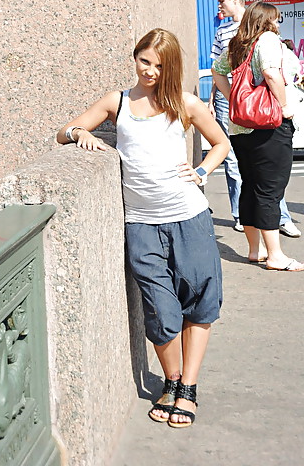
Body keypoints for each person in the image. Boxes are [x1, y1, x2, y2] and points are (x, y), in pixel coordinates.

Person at [57, 28, 229, 428]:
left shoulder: (184, 103)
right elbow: (63, 131)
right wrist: (82, 133)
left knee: (200, 302)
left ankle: (188, 388)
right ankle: (171, 380)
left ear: (172, 68)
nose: (150, 71)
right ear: (135, 58)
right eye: (144, 61)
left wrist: (201, 171)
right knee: (160, 309)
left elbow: (221, 143)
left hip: (189, 217)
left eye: (159, 65)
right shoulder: (117, 101)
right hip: (141, 224)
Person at [212, 2, 304, 272]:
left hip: (241, 127)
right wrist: (284, 105)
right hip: (268, 125)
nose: (278, 24)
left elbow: (217, 70)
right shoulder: (267, 39)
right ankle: (275, 255)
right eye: (276, 19)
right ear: (267, 20)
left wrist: (233, 98)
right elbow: (270, 72)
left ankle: (255, 249)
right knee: (270, 190)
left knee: (251, 186)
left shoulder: (237, 44)